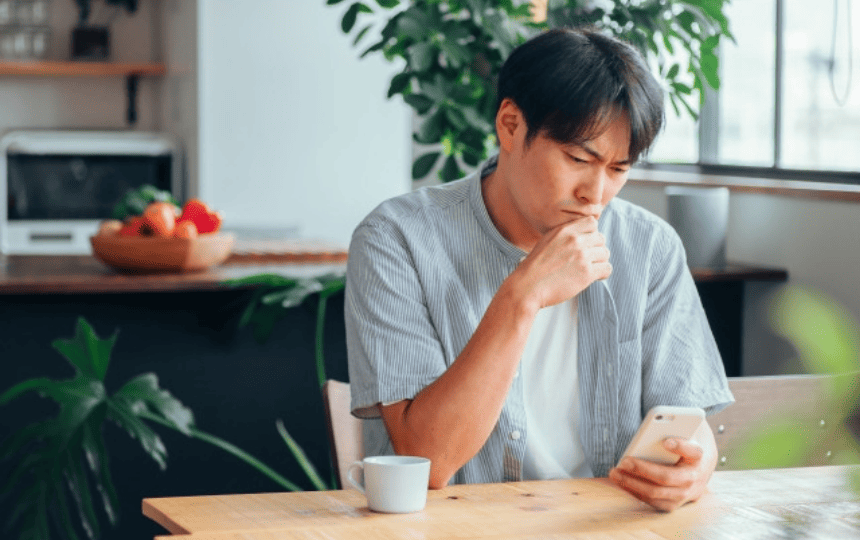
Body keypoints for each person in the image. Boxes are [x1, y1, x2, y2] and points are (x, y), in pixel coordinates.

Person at [344, 27, 734, 512]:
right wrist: (523, 296)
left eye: (618, 169)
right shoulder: (397, 238)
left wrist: (696, 467)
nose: (596, 193)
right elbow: (430, 459)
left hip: (605, 523)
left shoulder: (649, 247)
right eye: (578, 158)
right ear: (510, 125)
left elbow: (687, 419)